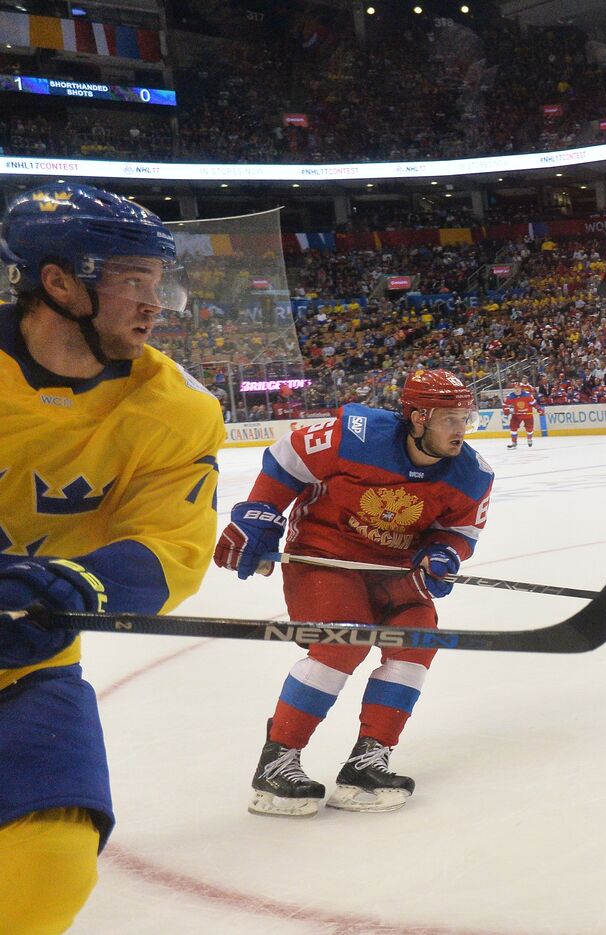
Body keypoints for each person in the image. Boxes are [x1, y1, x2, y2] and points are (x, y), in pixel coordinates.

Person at [0, 182, 224, 933]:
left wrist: (79, 584)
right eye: (131, 278)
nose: (152, 302)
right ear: (58, 282)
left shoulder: (177, 406)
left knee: (52, 867)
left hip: (28, 663)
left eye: (157, 282)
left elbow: (175, 544)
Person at [215, 369, 493, 817]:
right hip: (325, 556)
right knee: (344, 642)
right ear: (418, 418)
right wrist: (259, 514)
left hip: (394, 569)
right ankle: (277, 762)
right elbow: (288, 458)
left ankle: (368, 761)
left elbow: (459, 530)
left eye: (467, 417)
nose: (462, 429)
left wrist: (443, 555)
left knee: (418, 638)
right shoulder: (356, 436)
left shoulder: (472, 474)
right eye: (449, 418)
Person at [503, 381, 542, 449]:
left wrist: (539, 409)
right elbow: (505, 404)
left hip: (528, 415)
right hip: (517, 415)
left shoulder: (527, 395)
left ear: (521, 388)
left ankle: (529, 439)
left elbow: (534, 403)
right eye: (515, 388)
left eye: (518, 388)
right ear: (513, 389)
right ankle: (514, 443)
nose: (517, 389)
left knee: (529, 429)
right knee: (513, 427)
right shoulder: (510, 396)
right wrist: (506, 410)